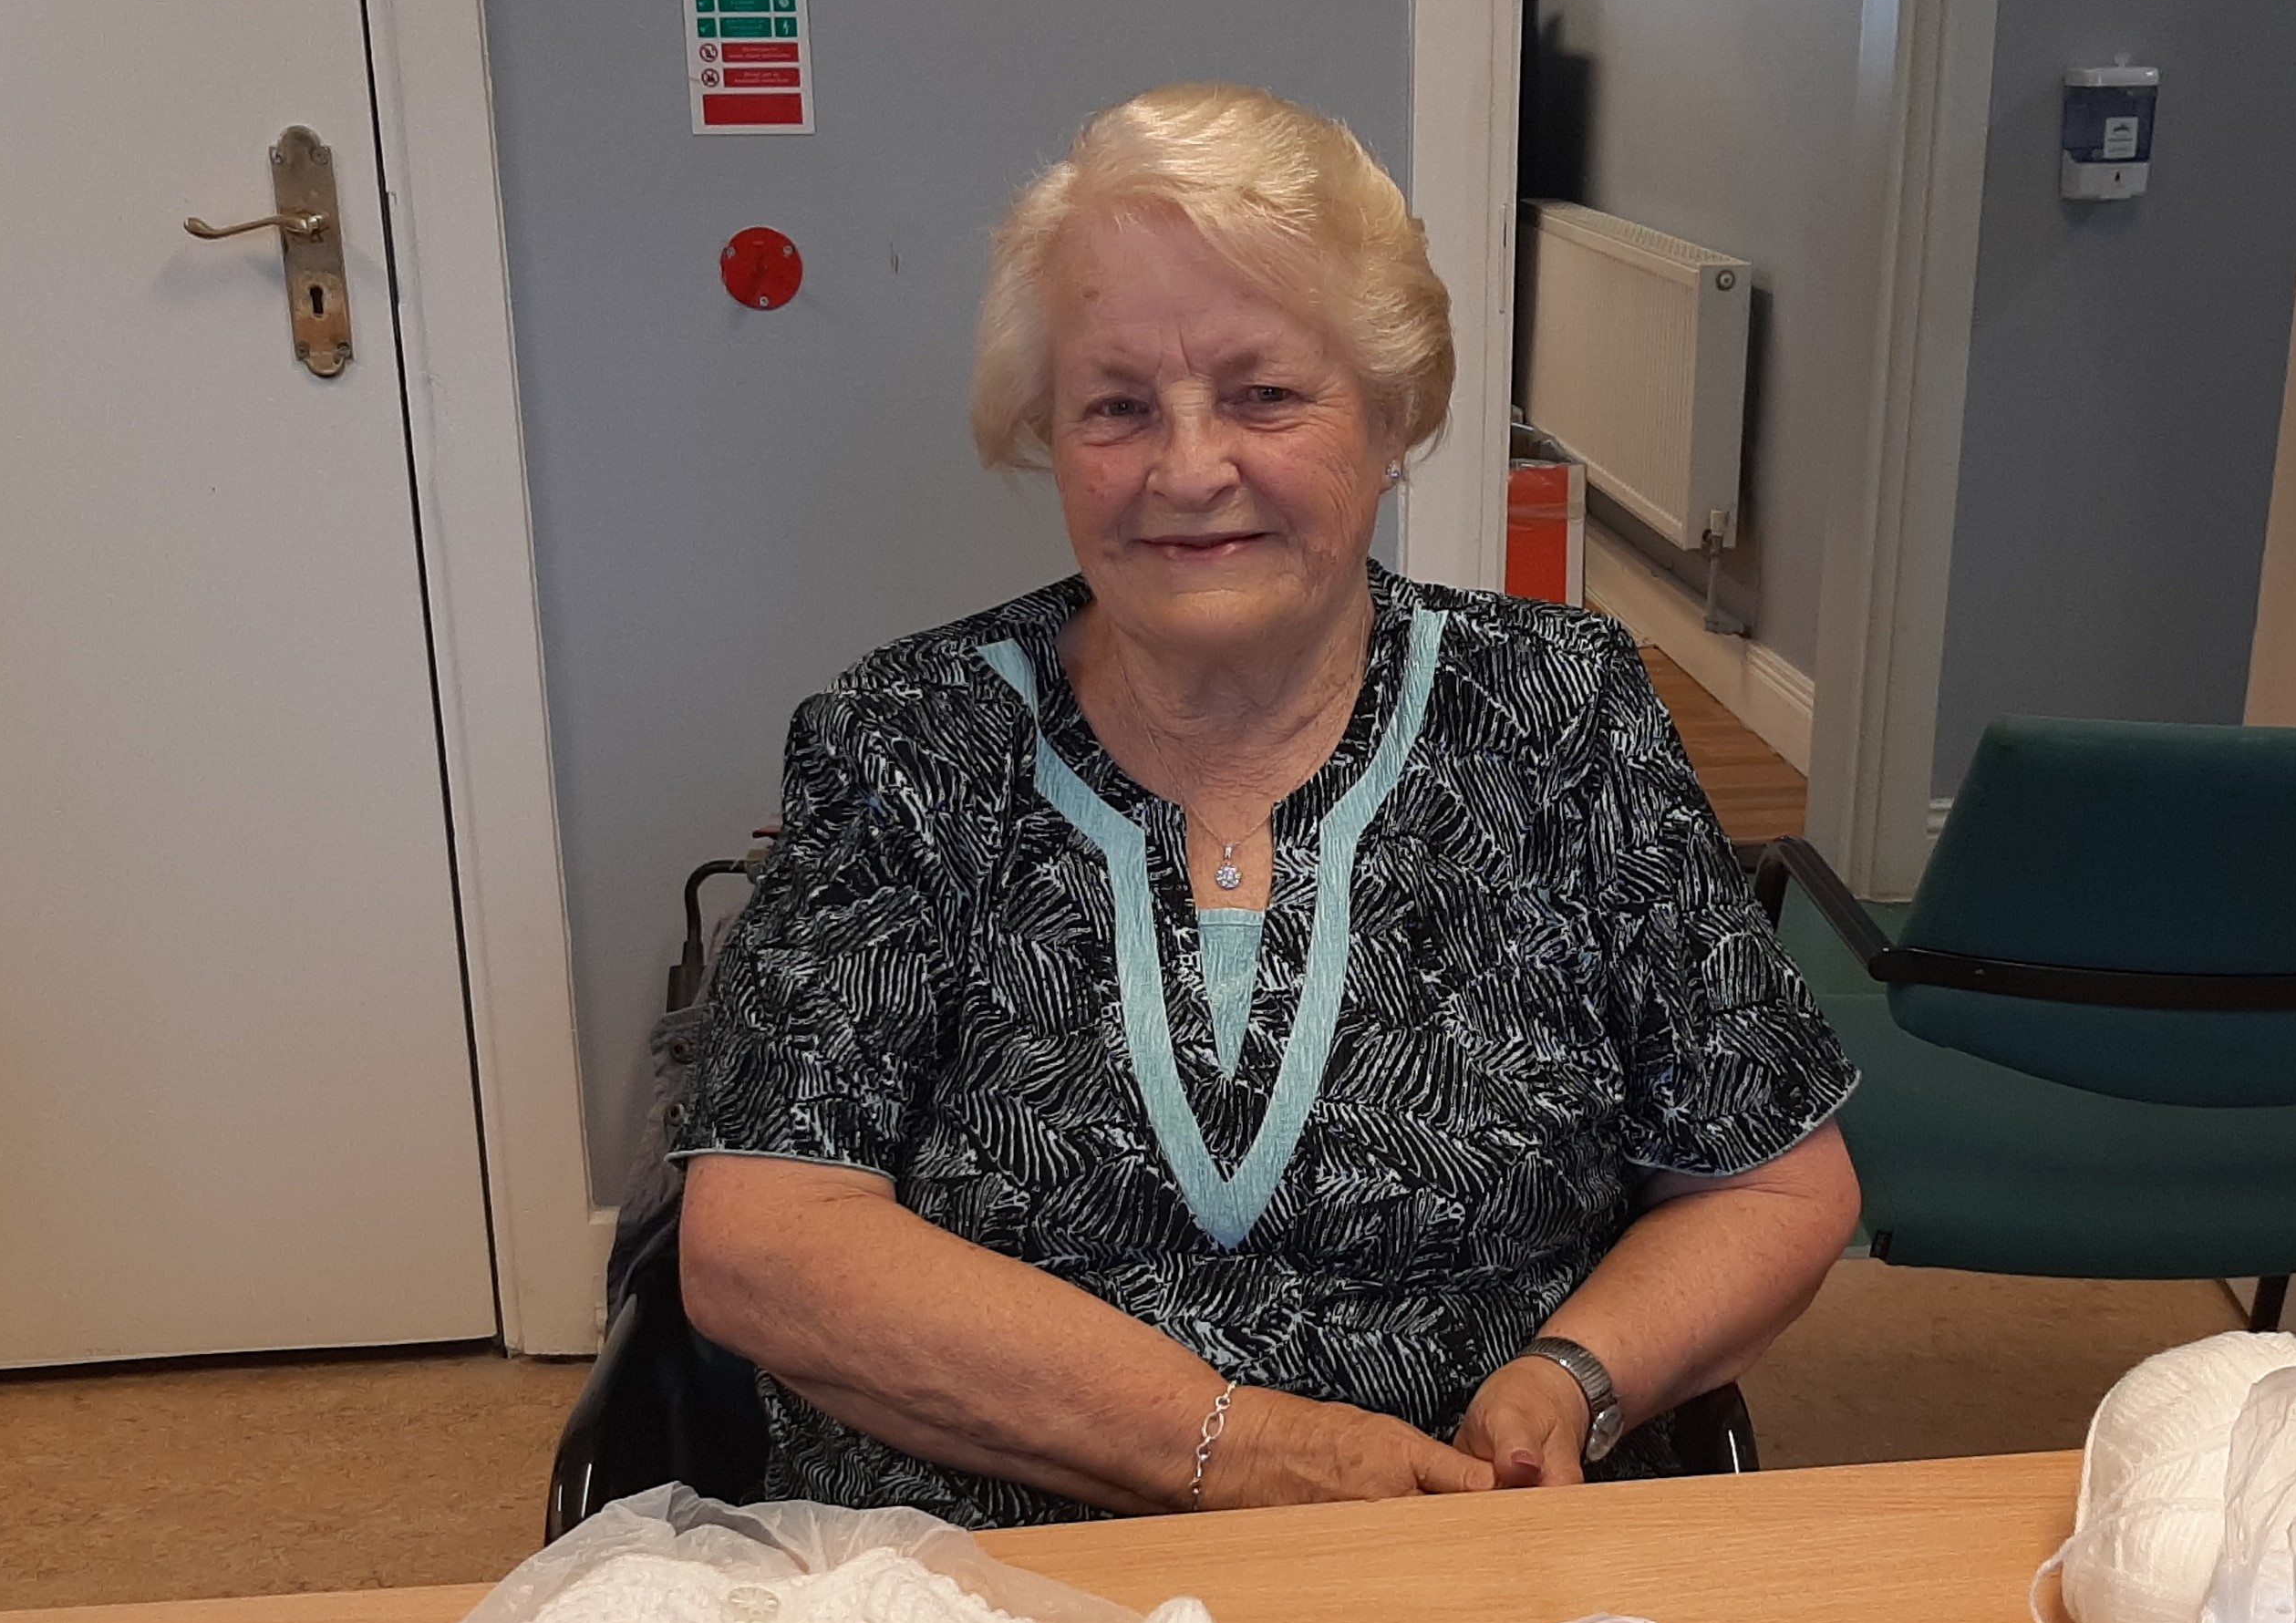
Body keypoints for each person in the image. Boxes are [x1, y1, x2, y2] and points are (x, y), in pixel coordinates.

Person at [676, 84, 1859, 1527]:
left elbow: (1771, 1189)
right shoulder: (911, 741)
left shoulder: (1563, 712)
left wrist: (1572, 1378)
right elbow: (762, 1235)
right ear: (1048, 430)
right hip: (985, 1599)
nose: (1186, 468)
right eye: (1117, 407)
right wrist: (1235, 1446)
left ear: (1390, 416)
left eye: (1264, 394)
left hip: (1469, 1548)